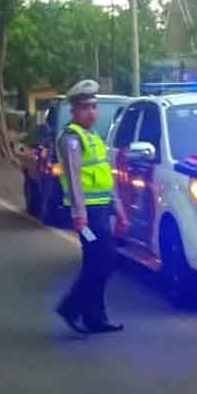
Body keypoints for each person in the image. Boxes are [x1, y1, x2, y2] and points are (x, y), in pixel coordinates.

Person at [55, 79, 130, 334]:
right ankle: (71, 307)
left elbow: (106, 176)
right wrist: (79, 214)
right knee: (105, 259)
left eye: (94, 107)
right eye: (86, 108)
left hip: (103, 207)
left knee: (96, 263)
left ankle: (95, 317)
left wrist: (119, 210)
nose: (92, 112)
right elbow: (74, 178)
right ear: (74, 111)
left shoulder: (94, 137)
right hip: (88, 211)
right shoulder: (71, 138)